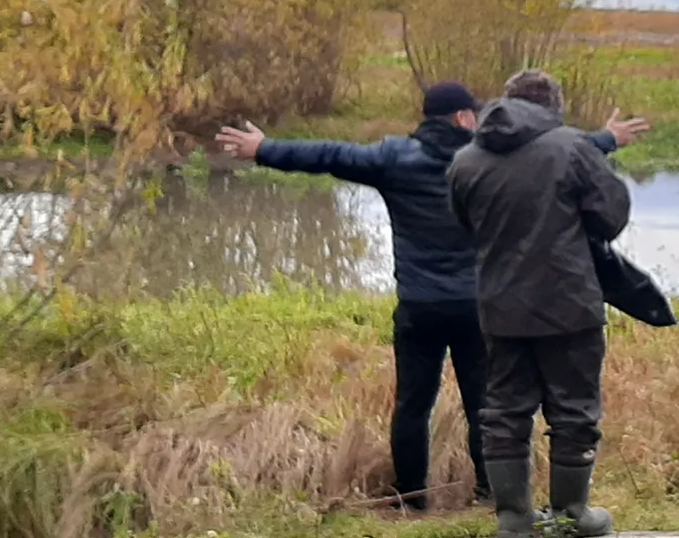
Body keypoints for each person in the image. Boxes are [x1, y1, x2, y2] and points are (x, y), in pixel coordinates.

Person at [216, 83, 649, 512]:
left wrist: (265, 149)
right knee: (488, 405)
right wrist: (607, 139)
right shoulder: (486, 162)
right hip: (478, 307)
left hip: (419, 305)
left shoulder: (393, 159)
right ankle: (491, 496)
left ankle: (410, 498)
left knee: (412, 404)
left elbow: (330, 155)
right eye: (474, 114)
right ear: (463, 118)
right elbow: (554, 154)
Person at [447, 69, 630, 538]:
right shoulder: (573, 148)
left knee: (504, 411)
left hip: (499, 305)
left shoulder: (466, 160)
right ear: (554, 107)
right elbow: (611, 218)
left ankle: (513, 520)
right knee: (574, 410)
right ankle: (572, 514)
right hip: (568, 304)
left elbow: (466, 225)